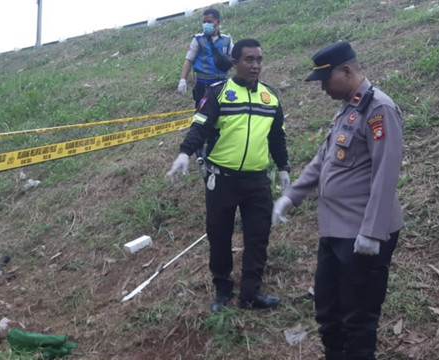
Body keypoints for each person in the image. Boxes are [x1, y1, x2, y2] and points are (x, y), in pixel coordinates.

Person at [272, 41, 404, 360]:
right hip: (335, 231)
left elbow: (385, 175)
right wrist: (291, 196)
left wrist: (372, 232)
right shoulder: (349, 108)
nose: (322, 90)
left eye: (324, 81)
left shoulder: (379, 109)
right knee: (328, 312)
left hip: (362, 234)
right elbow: (323, 160)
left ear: (346, 71)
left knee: (357, 319)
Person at [167, 38, 291, 313]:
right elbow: (199, 125)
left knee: (258, 237)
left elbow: (277, 137)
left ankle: (250, 294)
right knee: (219, 236)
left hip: (257, 180)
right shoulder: (218, 93)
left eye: (259, 59)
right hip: (221, 179)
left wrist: (283, 169)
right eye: (249, 59)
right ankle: (223, 291)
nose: (255, 65)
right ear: (235, 63)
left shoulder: (269, 98)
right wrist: (184, 153)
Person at [176, 8, 233, 109]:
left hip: (222, 84)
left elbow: (235, 60)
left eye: (209, 22)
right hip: (203, 85)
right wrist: (183, 79)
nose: (206, 24)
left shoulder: (227, 40)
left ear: (218, 22)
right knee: (202, 115)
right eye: (204, 22)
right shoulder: (198, 39)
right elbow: (189, 60)